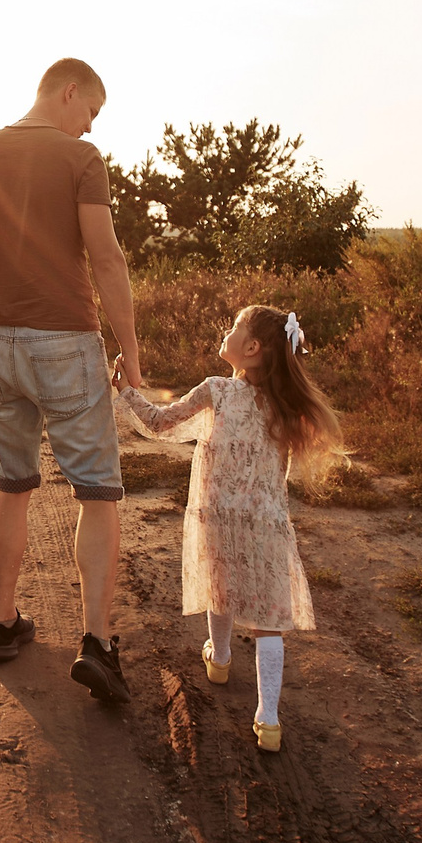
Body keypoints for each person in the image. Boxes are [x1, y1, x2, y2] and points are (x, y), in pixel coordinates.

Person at [0, 57, 144, 703]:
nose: (89, 129)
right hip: (66, 341)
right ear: (69, 92)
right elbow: (106, 257)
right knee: (99, 491)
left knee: (13, 481)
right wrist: (131, 350)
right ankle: (96, 642)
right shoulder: (80, 162)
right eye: (92, 112)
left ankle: (2, 623)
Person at [114, 305, 345, 751]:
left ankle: (219, 659)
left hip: (217, 514)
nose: (228, 331)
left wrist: (126, 392)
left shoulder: (217, 390)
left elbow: (160, 423)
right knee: (267, 620)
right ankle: (269, 718)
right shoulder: (285, 406)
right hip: (266, 523)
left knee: (220, 582)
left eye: (235, 327)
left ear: (252, 348)